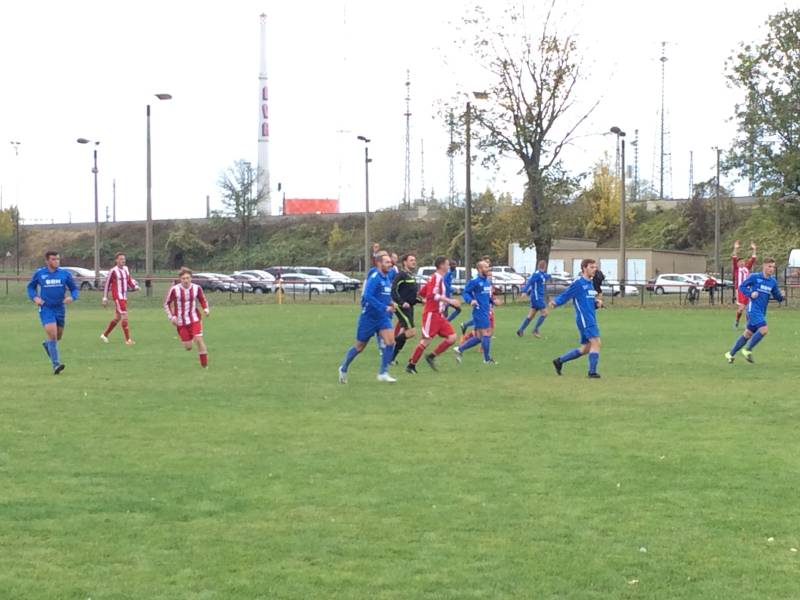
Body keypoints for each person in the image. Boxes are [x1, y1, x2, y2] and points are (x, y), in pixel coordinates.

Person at [339, 251, 397, 383]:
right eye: (387, 262)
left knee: (390, 342)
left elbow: (383, 295)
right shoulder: (375, 277)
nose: (390, 264)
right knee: (359, 347)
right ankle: (343, 368)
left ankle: (383, 373)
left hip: (382, 317)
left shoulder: (386, 278)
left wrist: (391, 303)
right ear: (379, 263)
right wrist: (384, 307)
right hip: (369, 318)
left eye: (390, 262)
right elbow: (367, 296)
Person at [549, 258, 603, 378]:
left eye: (595, 267)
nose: (594, 269)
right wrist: (556, 302)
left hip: (590, 317)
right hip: (585, 319)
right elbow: (567, 294)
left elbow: (588, 301)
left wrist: (596, 303)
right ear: (584, 268)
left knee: (586, 348)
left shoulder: (590, 283)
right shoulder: (578, 283)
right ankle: (592, 372)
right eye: (592, 267)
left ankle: (559, 361)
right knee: (596, 342)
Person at [406, 256, 461, 373]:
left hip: (439, 315)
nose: (448, 266)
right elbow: (432, 295)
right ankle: (411, 366)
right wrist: (450, 301)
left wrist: (426, 299)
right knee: (426, 341)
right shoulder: (436, 278)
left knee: (452, 338)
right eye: (447, 264)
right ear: (441, 265)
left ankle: (431, 356)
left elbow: (423, 292)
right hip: (432, 314)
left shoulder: (436, 278)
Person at [27, 251, 79, 374]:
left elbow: (74, 288)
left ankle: (47, 344)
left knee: (57, 337)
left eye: (58, 259)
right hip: (46, 308)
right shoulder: (40, 273)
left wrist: (72, 297)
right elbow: (30, 287)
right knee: (53, 336)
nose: (57, 261)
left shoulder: (64, 274)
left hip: (60, 308)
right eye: (54, 259)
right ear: (47, 261)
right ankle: (56, 365)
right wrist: (35, 297)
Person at [725, 257, 783, 364]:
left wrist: (782, 296)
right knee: (764, 329)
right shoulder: (755, 277)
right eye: (769, 266)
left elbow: (777, 296)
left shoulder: (772, 281)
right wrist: (750, 294)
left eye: (773, 267)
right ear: (764, 266)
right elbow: (742, 287)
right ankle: (747, 350)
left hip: (761, 311)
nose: (771, 269)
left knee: (747, 334)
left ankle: (730, 354)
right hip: (753, 309)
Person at [163, 267, 210, 368]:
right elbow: (167, 304)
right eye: (183, 278)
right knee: (188, 347)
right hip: (181, 322)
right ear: (180, 279)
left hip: (194, 319)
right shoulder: (175, 289)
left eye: (188, 278)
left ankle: (204, 365)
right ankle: (190, 338)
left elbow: (202, 299)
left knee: (198, 339)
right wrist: (171, 317)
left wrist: (206, 309)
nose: (186, 280)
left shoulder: (197, 288)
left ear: (191, 278)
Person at [454, 260, 496, 364]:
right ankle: (487, 359)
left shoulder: (487, 281)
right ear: (480, 269)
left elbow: (486, 296)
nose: (488, 269)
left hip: (485, 311)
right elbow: (465, 292)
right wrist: (471, 300)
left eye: (488, 267)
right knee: (486, 333)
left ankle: (459, 349)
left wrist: (493, 301)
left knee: (479, 337)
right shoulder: (475, 281)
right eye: (486, 267)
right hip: (479, 311)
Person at [100, 252, 140, 345]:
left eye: (124, 259)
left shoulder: (126, 269)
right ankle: (128, 340)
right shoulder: (113, 271)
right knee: (124, 315)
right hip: (118, 296)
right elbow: (107, 284)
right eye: (121, 259)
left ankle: (104, 335)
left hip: (124, 296)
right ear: (116, 260)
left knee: (117, 318)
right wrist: (105, 298)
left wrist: (135, 287)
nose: (123, 261)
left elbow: (129, 280)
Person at [390, 253, 419, 363]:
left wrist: (421, 300)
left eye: (414, 260)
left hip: (410, 307)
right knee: (411, 332)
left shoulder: (411, 276)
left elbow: (412, 295)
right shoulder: (401, 275)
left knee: (404, 332)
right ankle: (389, 344)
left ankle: (390, 358)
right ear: (405, 262)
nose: (414, 262)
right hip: (401, 307)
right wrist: (402, 303)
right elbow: (393, 291)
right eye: (411, 260)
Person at [517, 260, 552, 337]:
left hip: (537, 297)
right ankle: (535, 330)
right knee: (545, 313)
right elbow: (529, 282)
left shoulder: (542, 274)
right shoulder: (536, 274)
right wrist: (524, 291)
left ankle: (520, 330)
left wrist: (550, 276)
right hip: (537, 297)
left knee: (531, 315)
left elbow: (545, 276)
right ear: (545, 266)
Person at [732, 240, 757, 328]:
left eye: (743, 261)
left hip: (748, 290)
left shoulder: (747, 268)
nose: (742, 262)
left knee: (748, 307)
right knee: (741, 308)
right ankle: (737, 321)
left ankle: (748, 324)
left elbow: (753, 259)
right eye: (740, 262)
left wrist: (754, 249)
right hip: (740, 290)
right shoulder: (736, 269)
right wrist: (735, 248)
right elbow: (734, 257)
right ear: (737, 263)